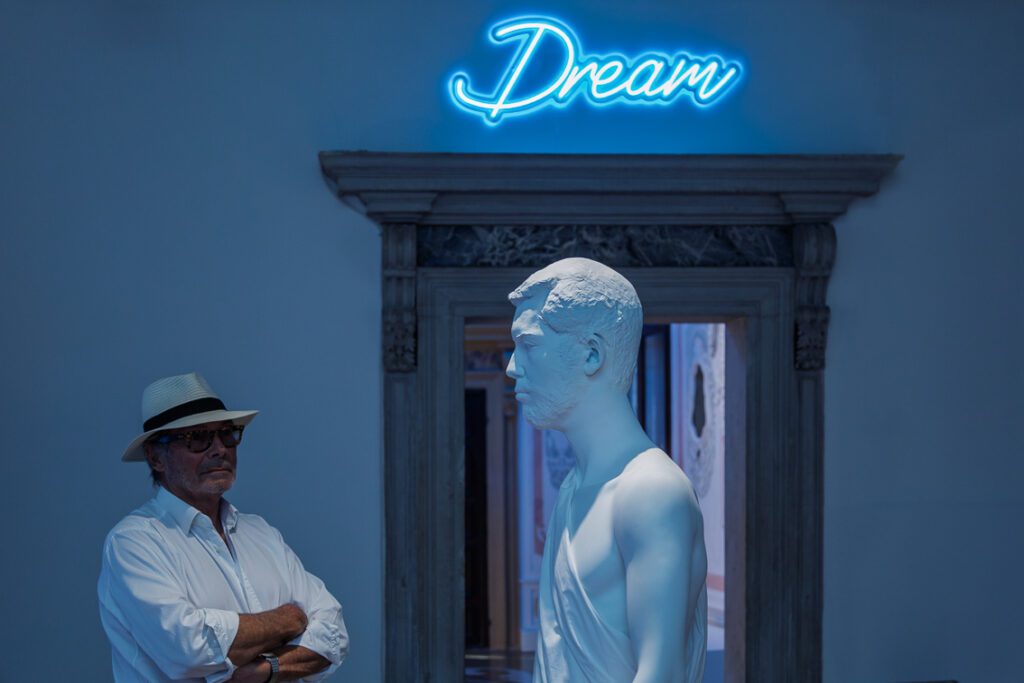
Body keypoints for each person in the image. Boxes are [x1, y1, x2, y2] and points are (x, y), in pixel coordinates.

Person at [507, 258, 707, 683]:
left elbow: (661, 675)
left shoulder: (651, 492)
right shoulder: (573, 486)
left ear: (592, 354)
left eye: (528, 345)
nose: (511, 366)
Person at [98, 372, 348, 682]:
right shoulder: (134, 542)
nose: (220, 449)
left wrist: (263, 670)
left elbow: (335, 634)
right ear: (155, 456)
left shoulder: (261, 533)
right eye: (197, 437)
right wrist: (290, 619)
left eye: (227, 434)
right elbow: (187, 650)